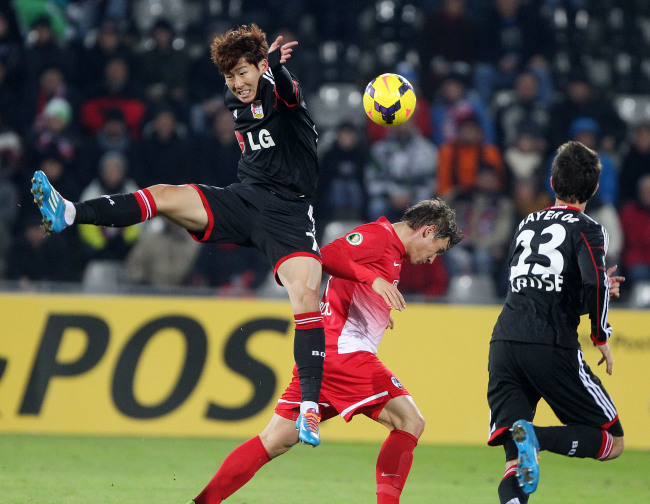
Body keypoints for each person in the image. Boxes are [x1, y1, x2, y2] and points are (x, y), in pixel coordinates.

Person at [30, 24, 326, 446]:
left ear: (261, 66)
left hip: (290, 216)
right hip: (243, 200)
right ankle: (69, 212)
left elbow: (288, 95)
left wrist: (273, 71)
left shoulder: (283, 90)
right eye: (230, 77)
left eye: (244, 73)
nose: (238, 84)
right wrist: (260, 71)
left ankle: (310, 408)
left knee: (305, 297)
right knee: (165, 195)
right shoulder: (232, 99)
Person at [186, 199, 463, 504]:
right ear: (427, 231)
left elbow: (351, 280)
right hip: (345, 355)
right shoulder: (380, 236)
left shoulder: (392, 250)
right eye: (437, 250)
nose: (432, 260)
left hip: (326, 354)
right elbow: (326, 256)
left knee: (274, 440)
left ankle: (201, 502)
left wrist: (377, 309)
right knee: (409, 422)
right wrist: (374, 280)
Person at [487, 141, 626, 503]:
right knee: (612, 440)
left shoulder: (526, 222)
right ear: (594, 188)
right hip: (550, 343)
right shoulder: (589, 228)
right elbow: (593, 281)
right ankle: (538, 438)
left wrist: (592, 292)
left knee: (514, 462)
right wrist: (600, 334)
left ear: (551, 181)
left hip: (505, 341)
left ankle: (525, 442)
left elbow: (539, 287)